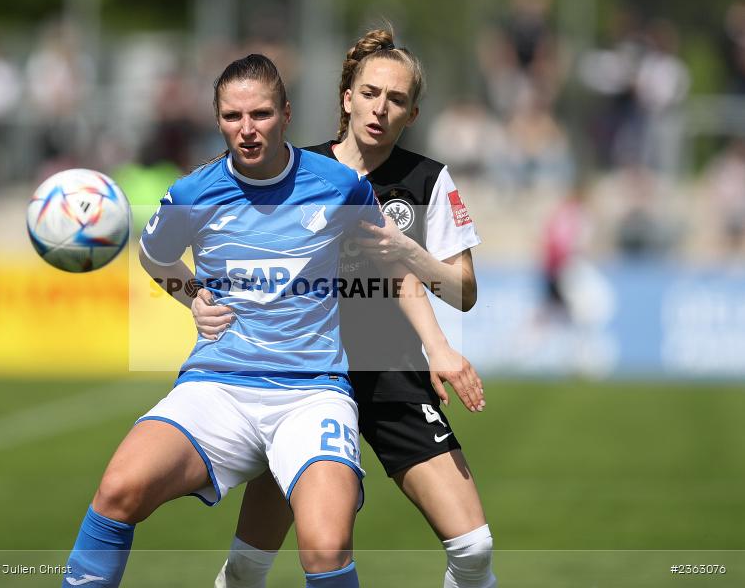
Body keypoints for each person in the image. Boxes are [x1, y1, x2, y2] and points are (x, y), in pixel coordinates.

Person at [61, 53, 467, 588]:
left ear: (287, 114)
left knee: (324, 547)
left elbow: (394, 269)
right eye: (233, 117)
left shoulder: (339, 185)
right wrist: (194, 298)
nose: (247, 130)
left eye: (261, 115)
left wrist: (438, 346)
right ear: (217, 119)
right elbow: (153, 255)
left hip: (312, 393)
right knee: (118, 491)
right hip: (217, 386)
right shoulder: (192, 193)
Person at [198, 30, 496, 588]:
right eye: (370, 92)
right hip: (302, 379)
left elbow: (463, 290)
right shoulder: (294, 168)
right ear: (347, 97)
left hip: (394, 375)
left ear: (412, 113)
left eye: (397, 99)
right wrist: (199, 297)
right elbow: (225, 238)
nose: (380, 108)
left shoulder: (428, 181)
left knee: (475, 550)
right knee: (248, 565)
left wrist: (411, 255)